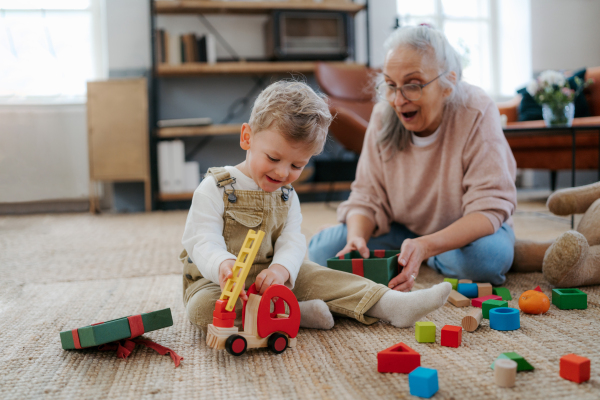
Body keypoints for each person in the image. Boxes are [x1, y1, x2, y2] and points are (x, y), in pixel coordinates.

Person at [180, 80, 451, 333]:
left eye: (297, 165)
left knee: (321, 276)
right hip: (218, 282)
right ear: (247, 137)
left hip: (273, 277)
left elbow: (292, 240)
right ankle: (293, 313)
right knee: (202, 309)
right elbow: (201, 239)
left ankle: (390, 304)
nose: (283, 173)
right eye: (273, 157)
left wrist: (282, 269)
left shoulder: (287, 195)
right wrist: (223, 265)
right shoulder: (215, 188)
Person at [309, 25, 517, 290]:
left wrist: (427, 245)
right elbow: (366, 195)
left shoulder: (476, 109)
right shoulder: (384, 115)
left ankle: (425, 254)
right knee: (323, 250)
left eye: (413, 85)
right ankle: (420, 255)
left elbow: (490, 207)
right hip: (403, 231)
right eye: (391, 86)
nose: (398, 100)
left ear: (448, 83)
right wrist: (356, 238)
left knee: (485, 260)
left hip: (466, 236)